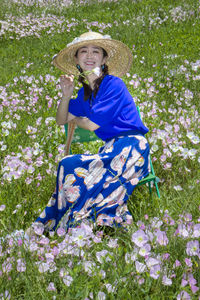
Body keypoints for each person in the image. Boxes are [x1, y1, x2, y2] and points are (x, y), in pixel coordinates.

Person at [32, 31, 150, 234]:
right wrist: (66, 96)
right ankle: (58, 223)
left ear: (104, 59)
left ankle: (88, 222)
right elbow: (62, 119)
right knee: (67, 163)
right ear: (77, 60)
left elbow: (92, 125)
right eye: (83, 51)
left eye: (96, 51)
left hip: (132, 147)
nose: (89, 55)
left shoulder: (114, 85)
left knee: (88, 169)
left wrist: (77, 119)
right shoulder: (83, 94)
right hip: (110, 148)